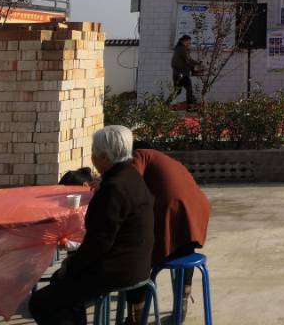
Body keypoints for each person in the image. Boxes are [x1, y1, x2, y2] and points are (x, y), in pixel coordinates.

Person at [29, 126, 154, 325]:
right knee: (59, 284)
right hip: (137, 263)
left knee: (40, 302)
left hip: (119, 269)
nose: (93, 159)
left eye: (94, 153)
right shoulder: (130, 175)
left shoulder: (113, 188)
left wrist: (71, 264)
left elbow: (99, 243)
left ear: (104, 156)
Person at [122, 147, 212, 325]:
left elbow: (130, 184)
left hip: (175, 207)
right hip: (197, 208)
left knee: (137, 256)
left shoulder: (139, 155)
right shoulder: (167, 160)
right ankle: (182, 300)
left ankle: (137, 314)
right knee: (185, 246)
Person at [170, 35, 199, 109]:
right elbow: (188, 60)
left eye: (190, 42)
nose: (189, 43)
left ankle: (165, 104)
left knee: (178, 91)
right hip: (182, 74)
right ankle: (190, 106)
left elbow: (187, 61)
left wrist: (193, 69)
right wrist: (197, 64)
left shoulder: (179, 48)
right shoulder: (182, 49)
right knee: (188, 89)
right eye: (188, 42)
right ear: (183, 41)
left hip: (178, 74)